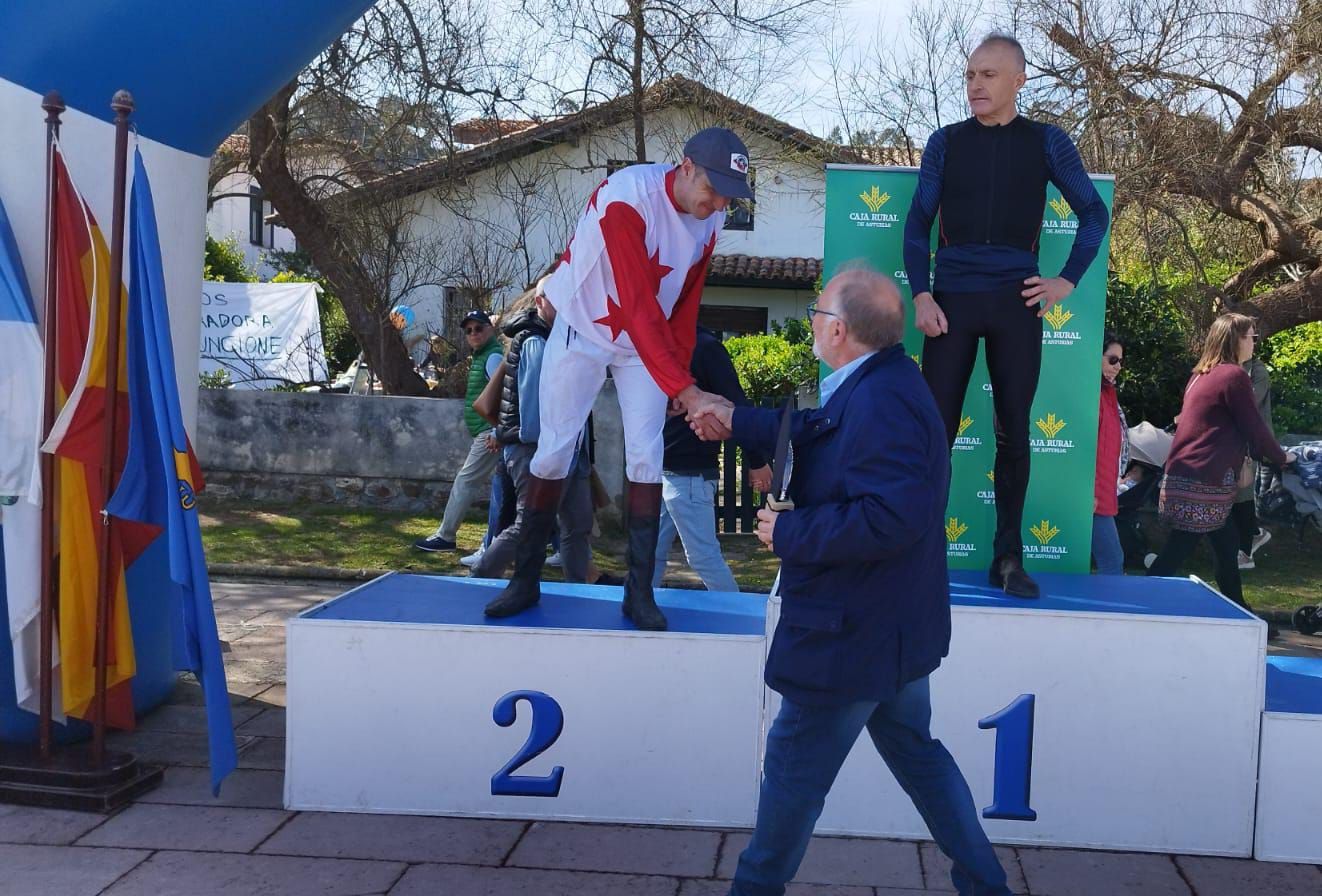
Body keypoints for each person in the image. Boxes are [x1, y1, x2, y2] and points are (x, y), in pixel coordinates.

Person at [688, 268, 1011, 896]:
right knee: (920, 759)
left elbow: (889, 518)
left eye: (816, 312)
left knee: (791, 780)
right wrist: (737, 419)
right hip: (888, 633)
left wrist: (790, 532)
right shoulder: (883, 380)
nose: (811, 322)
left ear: (837, 329)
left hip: (849, 636)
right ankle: (986, 885)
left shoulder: (883, 399)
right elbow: (823, 430)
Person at [480, 126, 751, 631]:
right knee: (553, 451)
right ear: (686, 167)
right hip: (583, 328)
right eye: (713, 189)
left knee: (648, 455)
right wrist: (684, 388)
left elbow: (685, 305)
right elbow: (636, 301)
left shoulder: (709, 221)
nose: (719, 204)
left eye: (729, 197)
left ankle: (638, 591)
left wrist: (678, 374)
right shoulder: (627, 196)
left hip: (642, 344)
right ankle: (525, 579)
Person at [903, 32, 1109, 599]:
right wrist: (921, 294)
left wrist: (1067, 279)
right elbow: (918, 223)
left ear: (1019, 80)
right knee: (935, 433)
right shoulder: (945, 142)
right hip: (951, 300)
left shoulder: (1047, 141)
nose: (975, 85)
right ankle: (919, 553)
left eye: (988, 75)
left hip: (1017, 302)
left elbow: (1094, 213)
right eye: (970, 75)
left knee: (1014, 431)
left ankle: (1008, 558)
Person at [1148, 313, 1297, 633]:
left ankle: (1244, 617)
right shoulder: (1233, 375)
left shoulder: (1200, 375)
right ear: (1234, 339)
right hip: (1204, 482)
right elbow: (1253, 426)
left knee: (1226, 548)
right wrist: (1282, 457)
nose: (1254, 343)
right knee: (1177, 551)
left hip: (1185, 476)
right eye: (1251, 337)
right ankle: (1138, 607)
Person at [471, 280, 594, 584]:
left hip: (565, 449)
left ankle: (579, 588)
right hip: (537, 449)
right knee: (529, 523)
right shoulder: (535, 341)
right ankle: (482, 573)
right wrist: (544, 448)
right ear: (540, 302)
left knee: (577, 525)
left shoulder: (556, 338)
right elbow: (535, 403)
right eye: (558, 298)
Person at [653, 325, 771, 592]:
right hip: (662, 471)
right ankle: (639, 605)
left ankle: (737, 613)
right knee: (649, 552)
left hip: (689, 473)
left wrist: (756, 460)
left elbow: (738, 406)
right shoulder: (663, 346)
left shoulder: (705, 348)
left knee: (703, 558)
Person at [413, 309, 503, 552]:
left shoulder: (493, 358)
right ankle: (553, 540)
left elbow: (506, 396)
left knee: (466, 481)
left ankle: (446, 536)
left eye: (479, 328)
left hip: (490, 432)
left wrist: (498, 431)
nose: (473, 333)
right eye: (469, 330)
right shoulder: (483, 357)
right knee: (514, 486)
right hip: (489, 430)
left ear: (490, 329)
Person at [1232, 348, 1274, 569]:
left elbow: (1249, 404)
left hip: (1249, 444)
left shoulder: (1258, 371)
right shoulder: (1224, 367)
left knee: (1243, 494)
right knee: (1234, 497)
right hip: (1229, 442)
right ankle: (1254, 534)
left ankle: (1246, 553)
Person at [1092, 333, 1128, 575]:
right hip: (1092, 499)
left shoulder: (1107, 394)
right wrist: (1089, 492)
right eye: (1112, 360)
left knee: (1112, 562)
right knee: (1113, 562)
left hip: (1102, 495)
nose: (1118, 367)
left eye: (1120, 361)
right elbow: (1083, 449)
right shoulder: (1091, 395)